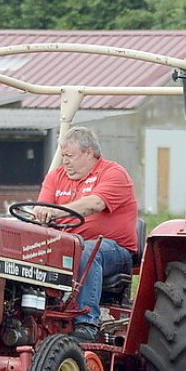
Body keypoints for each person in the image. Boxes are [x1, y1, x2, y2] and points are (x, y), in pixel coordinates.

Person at [28, 126, 139, 342]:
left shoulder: (113, 173)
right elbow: (40, 211)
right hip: (67, 245)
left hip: (113, 251)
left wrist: (56, 212)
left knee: (87, 250)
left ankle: (87, 322)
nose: (66, 162)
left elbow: (94, 204)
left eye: (70, 156)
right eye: (63, 156)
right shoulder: (56, 177)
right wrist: (41, 214)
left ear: (89, 152)